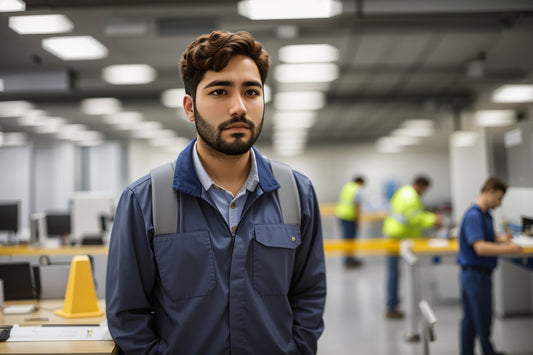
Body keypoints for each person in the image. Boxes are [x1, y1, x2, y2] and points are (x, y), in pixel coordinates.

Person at [105, 30, 327, 354]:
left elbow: (309, 296)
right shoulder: (145, 200)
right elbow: (127, 315)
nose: (239, 107)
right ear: (190, 107)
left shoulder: (297, 193)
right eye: (220, 91)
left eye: (251, 91)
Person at [457, 177, 522, 355]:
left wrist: (501, 239)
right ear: (490, 192)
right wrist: (509, 249)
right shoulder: (474, 215)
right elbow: (480, 247)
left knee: (471, 319)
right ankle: (488, 352)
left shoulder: (485, 215)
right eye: (499, 198)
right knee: (481, 319)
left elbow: (486, 237)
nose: (499, 203)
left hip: (475, 275)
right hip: (476, 275)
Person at [382, 175, 443, 319]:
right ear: (420, 186)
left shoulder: (404, 191)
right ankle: (392, 306)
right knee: (394, 273)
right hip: (398, 237)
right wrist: (434, 219)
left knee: (394, 272)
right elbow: (414, 219)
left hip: (396, 235)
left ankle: (393, 302)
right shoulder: (410, 197)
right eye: (425, 189)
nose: (424, 193)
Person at [335, 176, 365, 267]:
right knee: (350, 240)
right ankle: (349, 261)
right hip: (350, 218)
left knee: (346, 239)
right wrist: (359, 222)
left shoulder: (346, 187)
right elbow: (357, 207)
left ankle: (349, 259)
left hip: (341, 215)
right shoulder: (357, 190)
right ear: (360, 182)